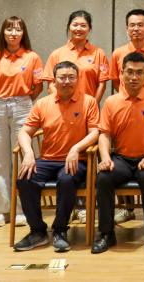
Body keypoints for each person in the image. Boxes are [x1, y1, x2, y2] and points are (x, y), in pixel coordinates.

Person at [13, 61, 100, 252]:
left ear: (78, 79)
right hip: (47, 159)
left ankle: (60, 230)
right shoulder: (43, 103)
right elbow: (25, 132)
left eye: (71, 77)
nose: (67, 81)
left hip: (78, 160)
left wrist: (76, 148)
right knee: (25, 179)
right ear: (54, 80)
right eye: (62, 77)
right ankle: (38, 231)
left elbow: (95, 133)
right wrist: (28, 153)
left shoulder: (89, 102)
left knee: (66, 179)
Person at [92, 52, 144, 255]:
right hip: (122, 158)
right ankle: (106, 233)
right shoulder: (111, 101)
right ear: (121, 73)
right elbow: (104, 134)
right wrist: (105, 159)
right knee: (104, 177)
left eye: (139, 72)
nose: (134, 77)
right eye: (129, 72)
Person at [0, 16, 43, 227]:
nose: (13, 33)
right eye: (9, 29)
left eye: (17, 29)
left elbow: (38, 86)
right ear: (3, 33)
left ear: (23, 33)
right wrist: (1, 101)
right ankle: (2, 210)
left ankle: (22, 209)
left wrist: (22, 102)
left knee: (23, 158)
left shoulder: (32, 57)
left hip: (23, 107)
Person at [41, 10, 108, 103]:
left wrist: (92, 105)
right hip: (62, 107)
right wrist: (63, 103)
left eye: (83, 25)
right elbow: (50, 84)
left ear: (89, 29)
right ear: (69, 27)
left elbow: (102, 85)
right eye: (75, 25)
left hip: (88, 107)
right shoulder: (57, 54)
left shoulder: (99, 53)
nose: (79, 28)